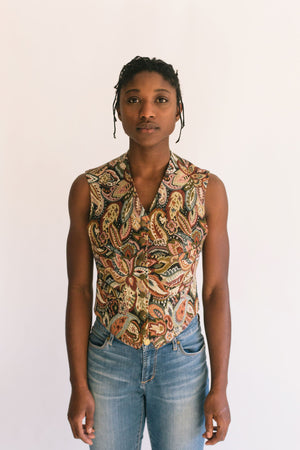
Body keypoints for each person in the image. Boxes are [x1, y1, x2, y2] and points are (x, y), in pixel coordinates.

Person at [65, 56, 231, 450]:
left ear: (178, 112)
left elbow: (216, 290)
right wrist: (78, 385)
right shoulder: (90, 189)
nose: (147, 111)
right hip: (108, 358)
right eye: (133, 99)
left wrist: (220, 388)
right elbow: (77, 290)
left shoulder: (206, 190)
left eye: (161, 100)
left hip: (182, 356)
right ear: (118, 109)